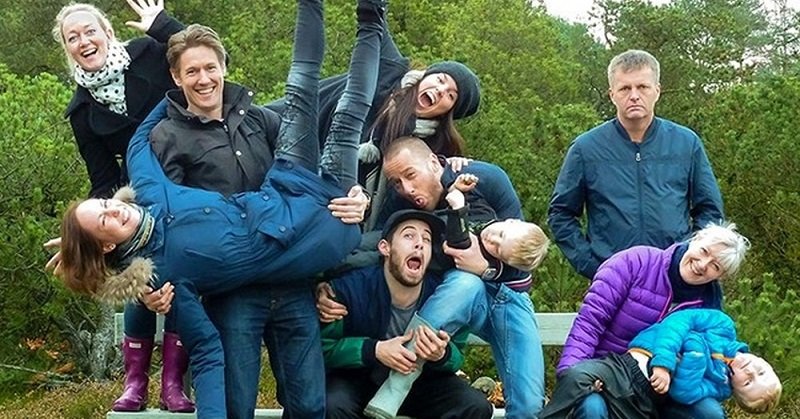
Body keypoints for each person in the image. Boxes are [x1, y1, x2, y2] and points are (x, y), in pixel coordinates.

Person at [53, 0, 383, 416]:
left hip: (296, 265)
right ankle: (153, 381)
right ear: (176, 79)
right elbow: (204, 347)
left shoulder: (255, 119)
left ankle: (367, 15)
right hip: (238, 294)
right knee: (236, 404)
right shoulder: (166, 146)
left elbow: (313, 169)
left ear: (224, 68)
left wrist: (357, 195)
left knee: (308, 405)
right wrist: (86, 247)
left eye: (211, 69)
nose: (204, 79)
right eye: (191, 73)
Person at [321, 136, 548, 418]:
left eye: (410, 175)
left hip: (506, 296)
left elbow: (523, 260)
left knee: (529, 404)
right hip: (458, 297)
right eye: (396, 182)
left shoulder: (485, 179)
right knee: (466, 282)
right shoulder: (400, 202)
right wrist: (323, 280)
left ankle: (403, 370)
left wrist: (487, 268)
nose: (406, 188)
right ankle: (402, 374)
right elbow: (379, 248)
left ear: (433, 162)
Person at [51, 0, 192, 412]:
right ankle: (135, 382)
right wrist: (88, 233)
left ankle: (173, 382)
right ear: (67, 49)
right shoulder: (81, 111)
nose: (83, 41)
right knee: (138, 268)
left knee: (183, 273)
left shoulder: (149, 52)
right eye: (73, 37)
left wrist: (162, 25)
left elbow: (201, 57)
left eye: (89, 31)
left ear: (108, 32)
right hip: (140, 200)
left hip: (194, 172)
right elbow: (103, 181)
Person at [547, 49, 724, 280]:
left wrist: (686, 260)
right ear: (612, 94)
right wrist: (593, 266)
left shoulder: (686, 143)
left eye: (642, 87)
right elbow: (561, 214)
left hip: (674, 280)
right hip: (612, 282)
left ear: (657, 91)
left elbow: (710, 211)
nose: (634, 96)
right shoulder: (586, 149)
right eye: (625, 88)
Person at [557, 222, 750, 419]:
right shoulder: (635, 262)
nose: (702, 265)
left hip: (664, 390)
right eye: (704, 251)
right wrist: (572, 376)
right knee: (591, 407)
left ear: (721, 276)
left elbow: (708, 363)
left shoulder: (709, 307)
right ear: (695, 239)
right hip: (606, 374)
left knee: (709, 413)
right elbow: (589, 323)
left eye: (715, 266)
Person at [322, 209, 493, 419]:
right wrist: (374, 350)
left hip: (420, 382)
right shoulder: (349, 289)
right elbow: (324, 349)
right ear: (385, 247)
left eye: (426, 239)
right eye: (409, 235)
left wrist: (441, 355)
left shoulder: (444, 294)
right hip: (358, 378)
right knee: (331, 404)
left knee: (475, 405)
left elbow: (457, 356)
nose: (419, 244)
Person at [541, 309, 781, 418]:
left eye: (748, 383)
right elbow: (678, 322)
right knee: (577, 374)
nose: (750, 371)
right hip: (628, 366)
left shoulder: (718, 387)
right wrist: (665, 362)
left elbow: (684, 391)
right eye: (761, 371)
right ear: (765, 362)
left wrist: (695, 354)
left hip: (646, 398)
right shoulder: (723, 326)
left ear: (737, 392)